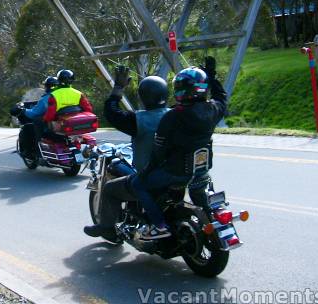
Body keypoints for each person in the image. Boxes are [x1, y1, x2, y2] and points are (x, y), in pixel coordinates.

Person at [83, 57, 226, 242]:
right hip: (198, 171)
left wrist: (118, 88)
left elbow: (113, 114)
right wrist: (211, 76)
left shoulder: (159, 118)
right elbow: (221, 97)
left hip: (170, 172)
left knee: (117, 187)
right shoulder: (211, 110)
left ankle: (114, 228)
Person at [103, 66, 171, 173]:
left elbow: (111, 112)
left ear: (141, 97)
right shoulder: (177, 114)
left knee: (111, 186)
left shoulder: (138, 120)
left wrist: (118, 87)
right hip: (174, 175)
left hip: (148, 178)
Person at [11, 76, 59, 159]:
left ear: (47, 86)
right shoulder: (62, 95)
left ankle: (31, 152)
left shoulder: (47, 98)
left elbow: (34, 112)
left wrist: (23, 111)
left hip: (49, 125)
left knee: (28, 127)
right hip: (59, 124)